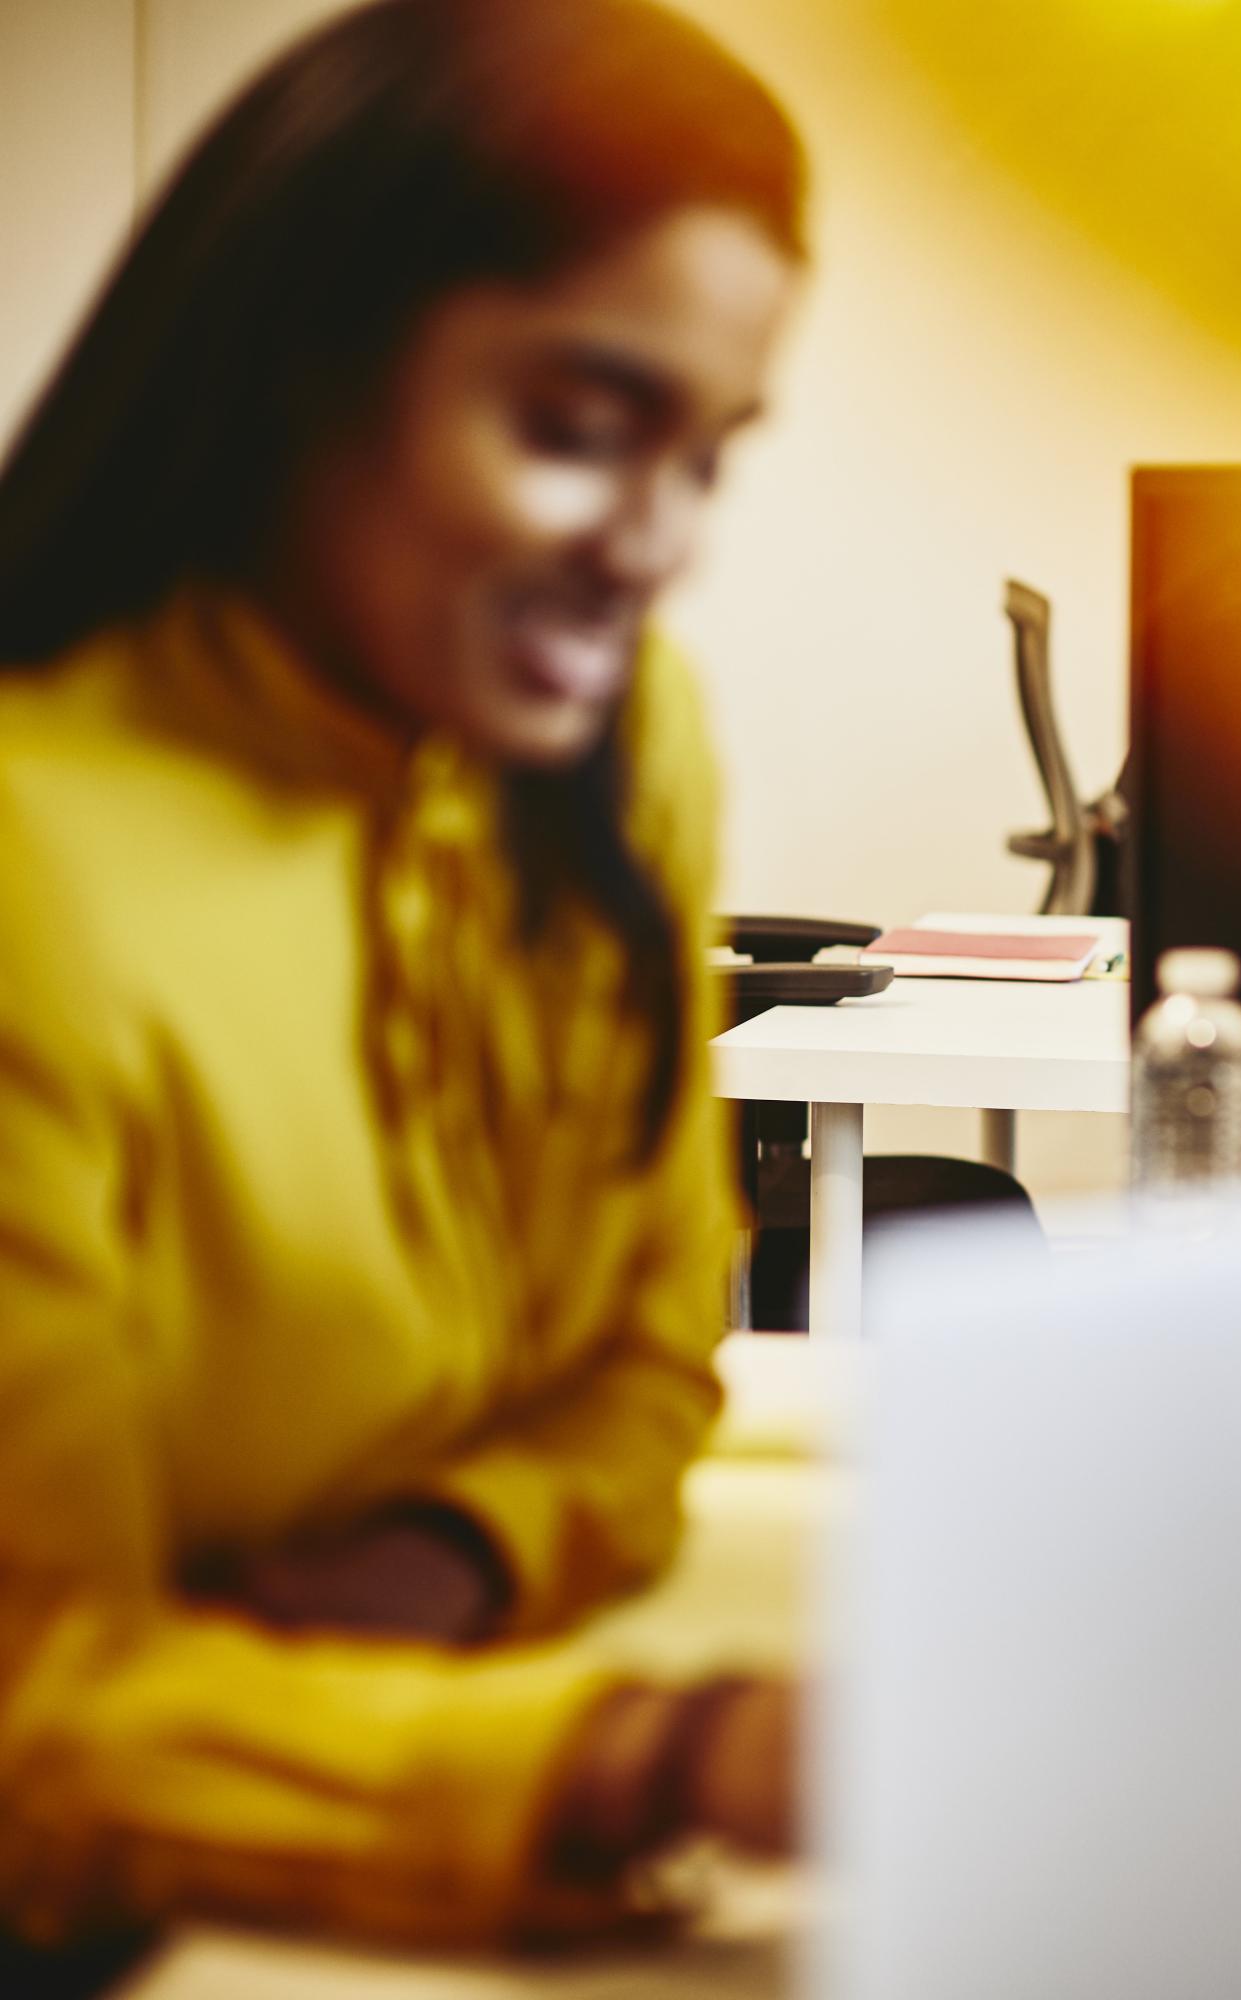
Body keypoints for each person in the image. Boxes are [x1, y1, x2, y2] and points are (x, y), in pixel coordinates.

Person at [0, 0, 806, 1953]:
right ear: (310, 368)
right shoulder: (43, 856)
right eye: (580, 431)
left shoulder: (621, 751)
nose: (659, 547)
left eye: (709, 453)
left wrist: (445, 1557)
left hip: (425, 1748)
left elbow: (649, 1354)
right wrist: (660, 1759)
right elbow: (29, 1718)